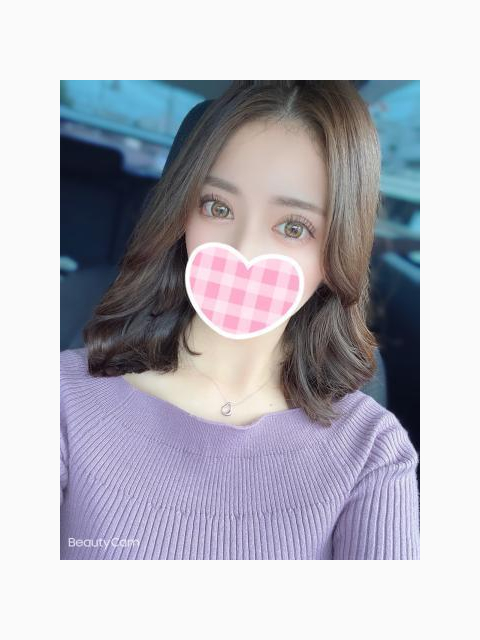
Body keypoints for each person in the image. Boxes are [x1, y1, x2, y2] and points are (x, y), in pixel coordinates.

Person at [60, 80, 420, 560]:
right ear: (183, 216)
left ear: (337, 252)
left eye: (293, 227)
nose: (243, 249)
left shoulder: (372, 453)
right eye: (218, 207)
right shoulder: (61, 398)